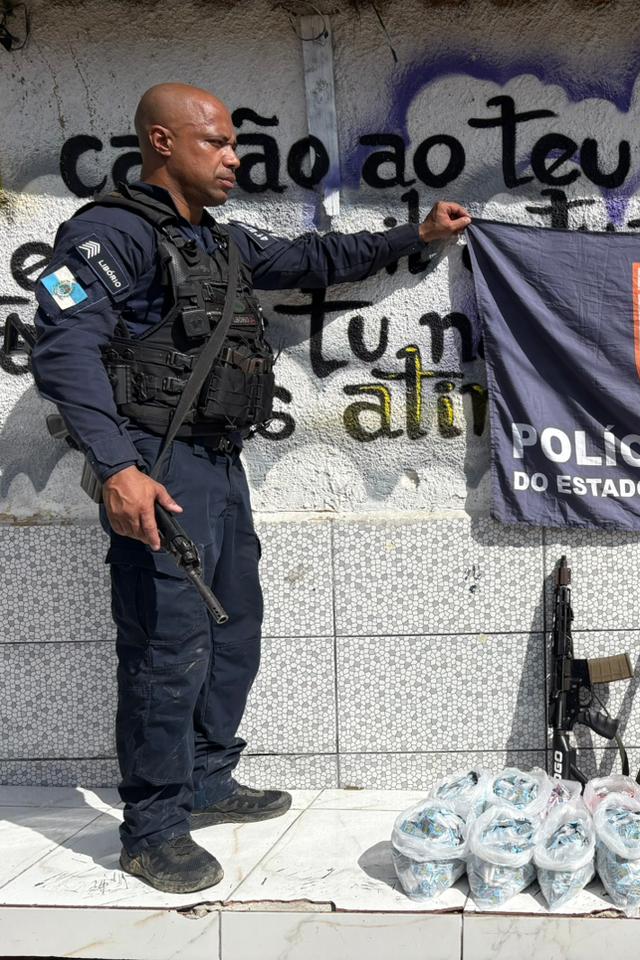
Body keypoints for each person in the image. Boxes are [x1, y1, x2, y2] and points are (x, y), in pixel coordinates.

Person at [31, 83, 470, 894]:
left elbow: (311, 262)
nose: (235, 158)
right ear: (162, 143)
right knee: (166, 645)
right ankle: (152, 828)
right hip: (157, 465)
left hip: (220, 465)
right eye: (217, 143)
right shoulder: (107, 236)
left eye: (234, 143)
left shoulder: (217, 241)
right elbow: (61, 348)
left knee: (232, 629)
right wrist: (118, 469)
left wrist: (416, 235)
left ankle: (206, 777)